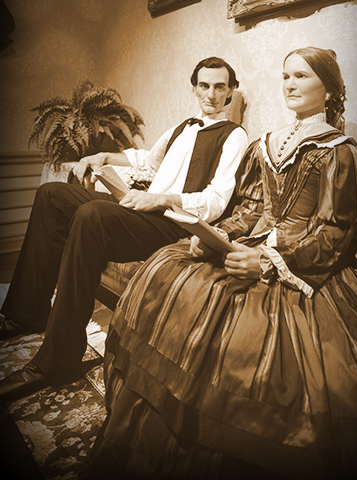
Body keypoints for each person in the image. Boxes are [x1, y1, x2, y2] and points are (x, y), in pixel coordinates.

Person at [82, 47, 357, 480]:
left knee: (242, 325)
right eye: (286, 76)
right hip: (251, 245)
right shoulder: (265, 143)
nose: (290, 84)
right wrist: (213, 237)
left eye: (302, 76)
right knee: (168, 268)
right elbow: (251, 210)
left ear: (328, 89)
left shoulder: (340, 151)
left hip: (301, 264)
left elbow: (334, 233)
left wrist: (267, 263)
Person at [0, 56, 248, 401]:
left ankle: (58, 361)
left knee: (92, 215)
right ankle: (26, 314)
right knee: (51, 195)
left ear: (231, 91)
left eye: (220, 87)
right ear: (194, 88)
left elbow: (217, 200)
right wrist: (102, 157)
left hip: (176, 224)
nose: (211, 94)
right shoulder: (183, 128)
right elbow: (145, 160)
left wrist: (160, 199)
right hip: (146, 211)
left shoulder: (234, 135)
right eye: (204, 85)